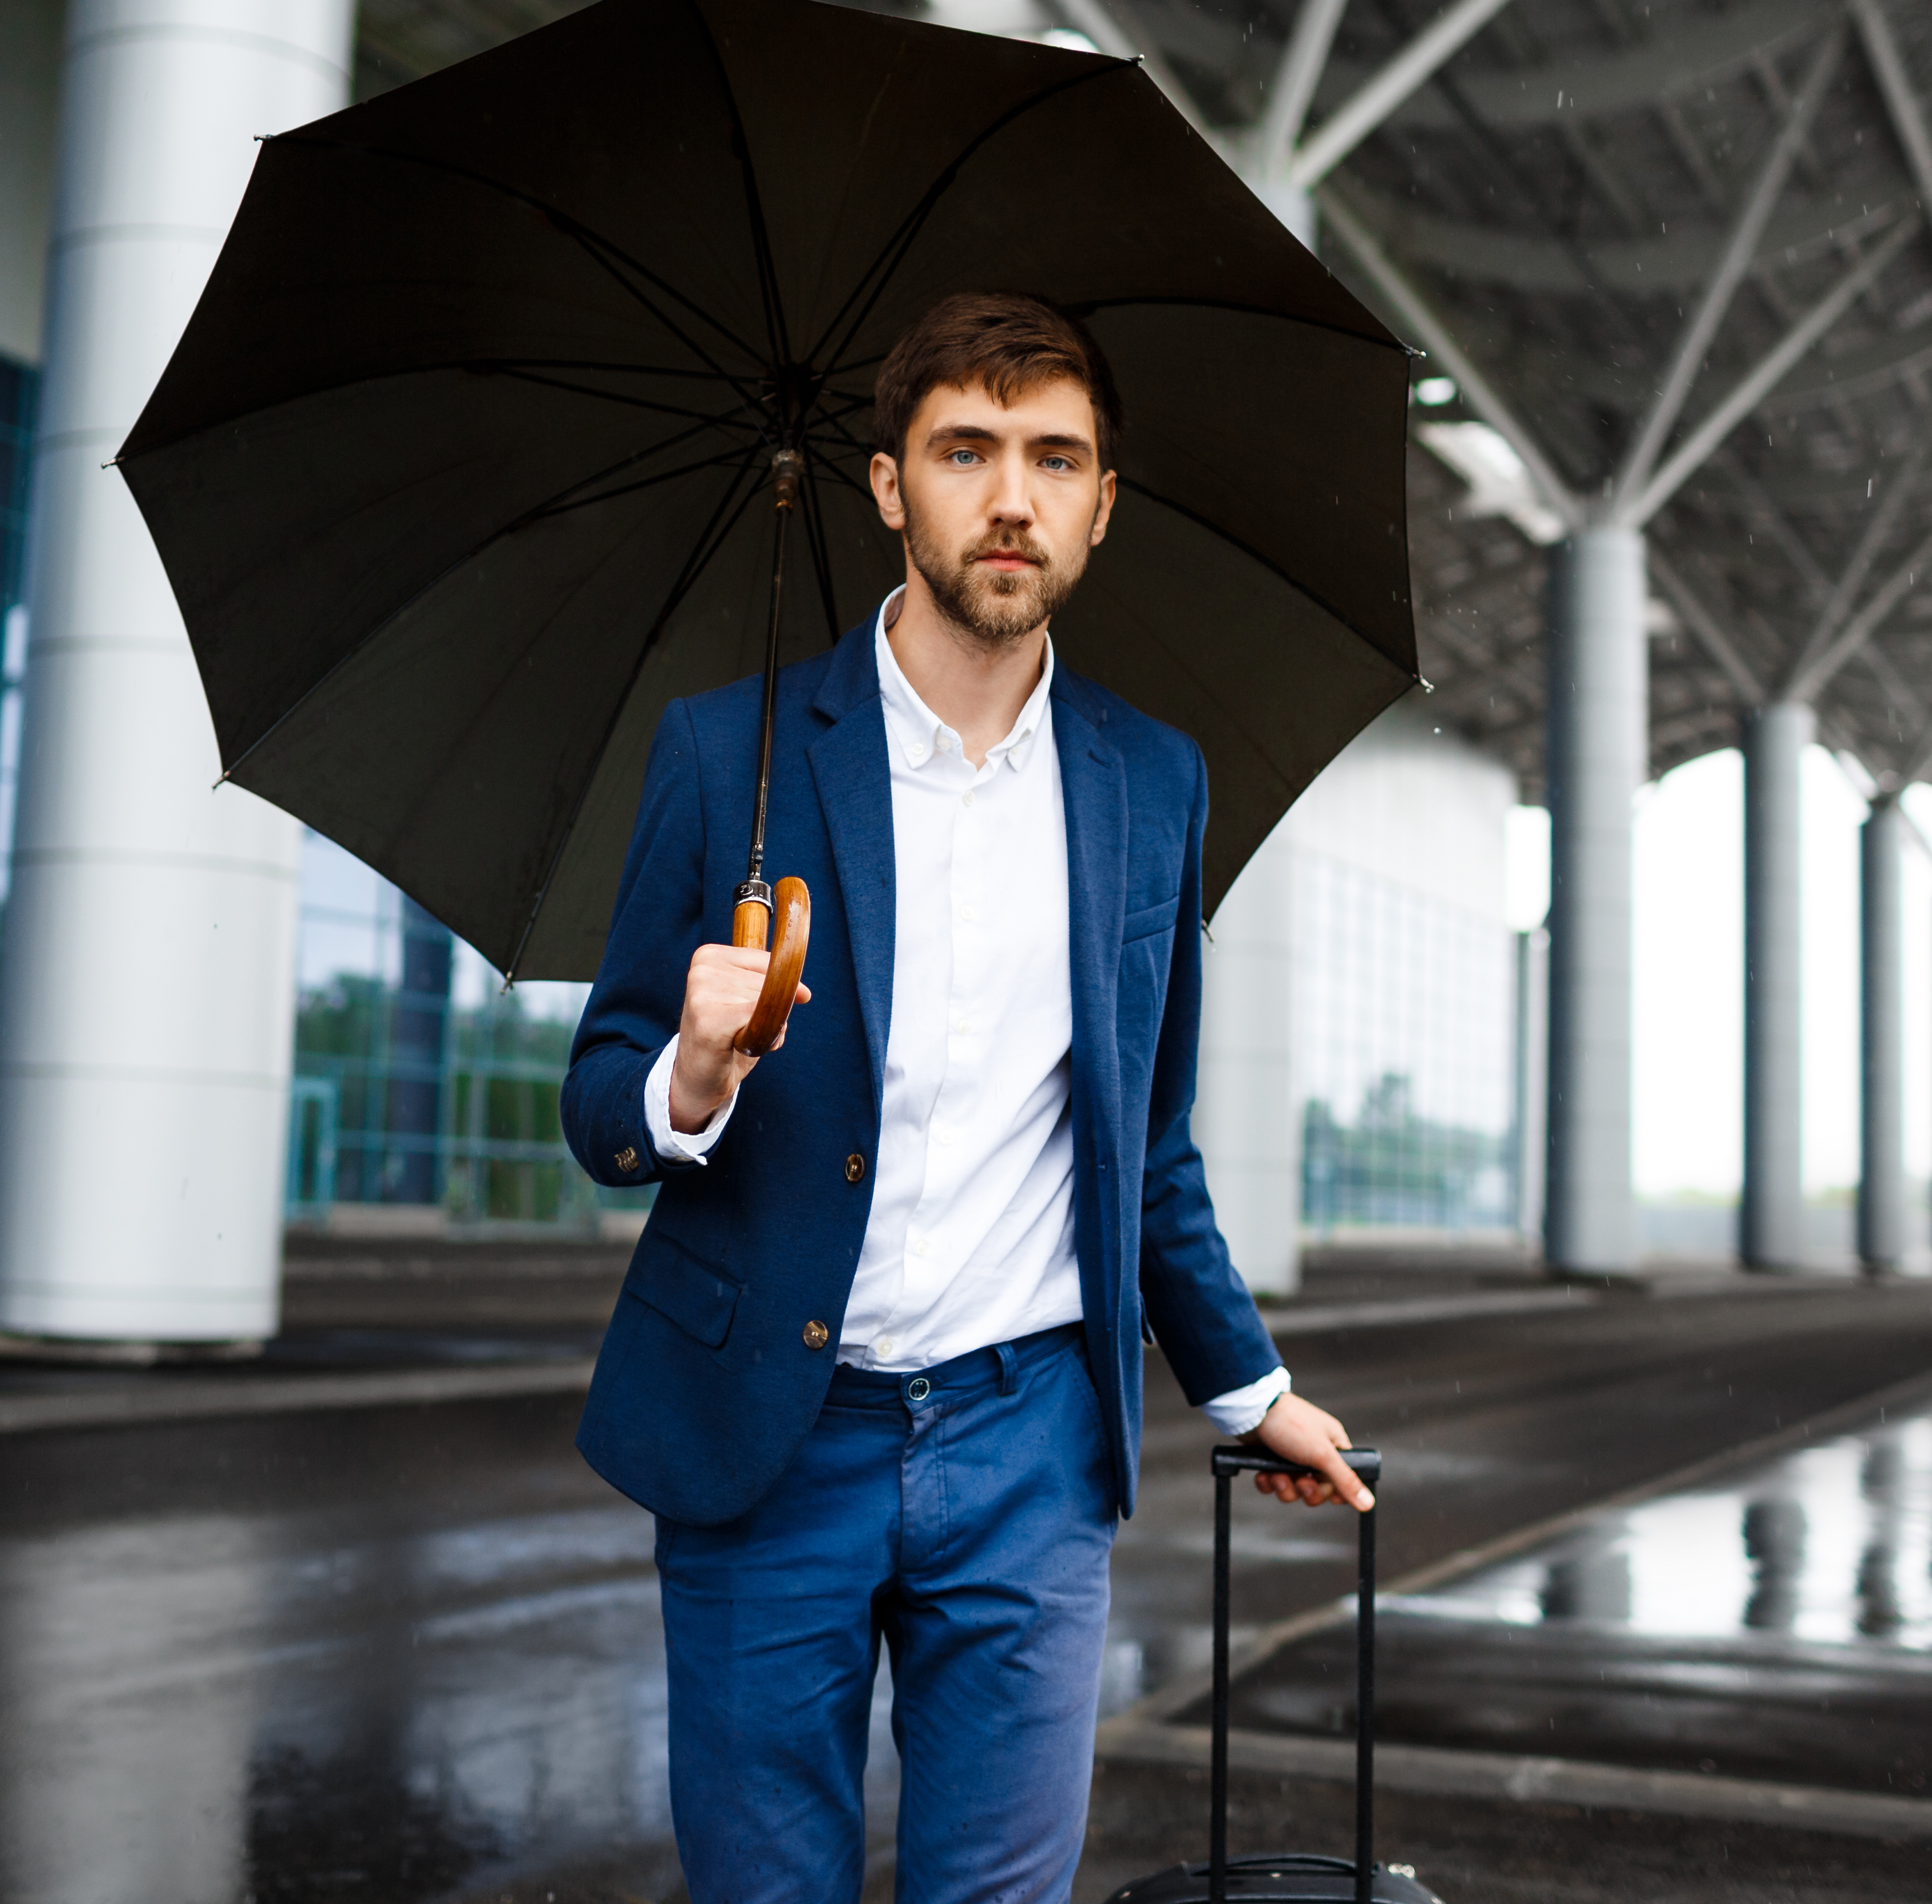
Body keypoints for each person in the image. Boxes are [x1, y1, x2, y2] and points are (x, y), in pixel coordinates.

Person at [563, 290, 1368, 1904]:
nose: (1012, 496)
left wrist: (1245, 1385)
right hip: (768, 1443)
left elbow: (1146, 1137)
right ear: (885, 487)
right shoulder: (733, 758)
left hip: (1026, 1446)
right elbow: (598, 1106)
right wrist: (692, 1073)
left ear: (1100, 505)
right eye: (966, 450)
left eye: (1054, 458)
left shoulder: (1153, 782)